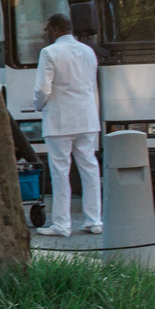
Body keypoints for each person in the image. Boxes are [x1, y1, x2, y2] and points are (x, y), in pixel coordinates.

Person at [32, 13, 101, 237]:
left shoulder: (49, 52)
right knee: (89, 169)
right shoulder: (88, 51)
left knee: (60, 172)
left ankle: (62, 225)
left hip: (59, 120)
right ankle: (94, 220)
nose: (46, 34)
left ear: (55, 29)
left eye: (47, 30)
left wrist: (38, 105)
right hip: (87, 118)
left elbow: (43, 88)